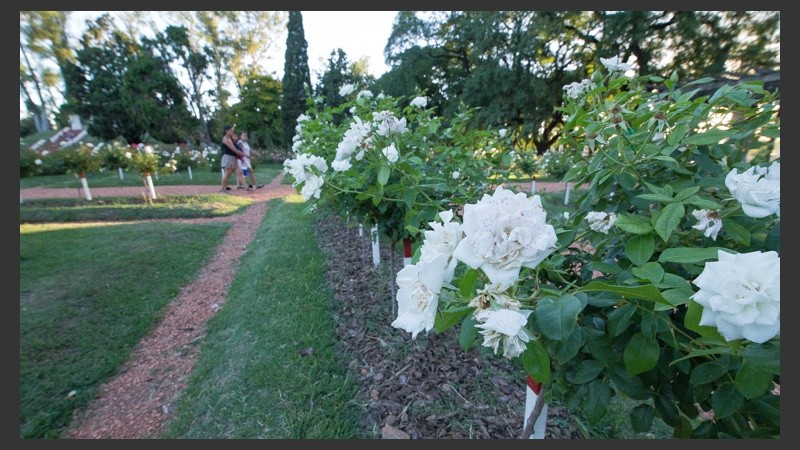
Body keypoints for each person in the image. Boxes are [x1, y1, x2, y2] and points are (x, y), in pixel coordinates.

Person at [219, 125, 245, 192]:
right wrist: (245, 155)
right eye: (231, 130)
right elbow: (234, 149)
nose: (232, 131)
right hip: (228, 157)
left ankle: (224, 189)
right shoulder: (226, 139)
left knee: (230, 174)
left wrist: (233, 127)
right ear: (226, 131)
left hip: (232, 157)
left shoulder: (229, 138)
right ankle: (222, 190)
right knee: (227, 174)